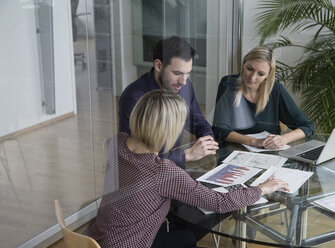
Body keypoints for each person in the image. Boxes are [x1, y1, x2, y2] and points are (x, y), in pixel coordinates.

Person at [85, 89, 289, 248]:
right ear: (169, 130)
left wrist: (187, 157)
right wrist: (262, 188)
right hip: (128, 244)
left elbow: (137, 165)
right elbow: (219, 203)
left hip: (94, 239)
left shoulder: (116, 143)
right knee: (187, 237)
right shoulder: (163, 172)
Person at [119, 36, 218, 169]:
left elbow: (198, 122)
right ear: (158, 65)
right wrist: (186, 155)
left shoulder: (183, 85)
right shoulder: (133, 98)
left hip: (174, 168)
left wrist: (207, 142)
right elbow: (132, 156)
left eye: (187, 73)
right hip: (146, 175)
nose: (183, 81)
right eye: (177, 73)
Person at [212, 46, 314, 149]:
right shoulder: (228, 84)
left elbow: (307, 126)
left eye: (260, 74)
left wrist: (283, 139)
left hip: (268, 155)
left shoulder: (276, 90)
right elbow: (219, 129)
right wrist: (254, 141)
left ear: (268, 75)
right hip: (232, 153)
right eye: (249, 69)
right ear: (244, 63)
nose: (252, 77)